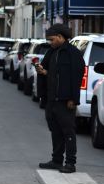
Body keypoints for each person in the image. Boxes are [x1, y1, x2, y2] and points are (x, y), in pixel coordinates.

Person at [35, 23, 85, 173]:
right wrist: (41, 70)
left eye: (52, 39)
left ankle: (70, 163)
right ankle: (56, 160)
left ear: (60, 37)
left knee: (68, 132)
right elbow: (47, 72)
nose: (50, 42)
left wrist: (73, 99)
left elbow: (76, 78)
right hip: (51, 100)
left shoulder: (73, 53)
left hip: (65, 100)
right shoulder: (52, 52)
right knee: (55, 131)